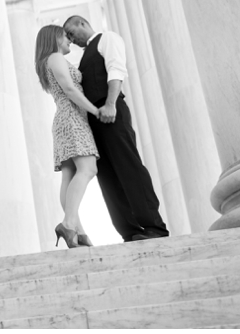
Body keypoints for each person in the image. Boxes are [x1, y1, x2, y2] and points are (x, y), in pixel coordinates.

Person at [62, 15, 169, 242]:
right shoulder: (83, 58)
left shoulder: (107, 38)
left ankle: (154, 227)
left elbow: (116, 70)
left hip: (112, 112)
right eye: (68, 37)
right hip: (94, 122)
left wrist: (110, 103)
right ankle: (129, 231)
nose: (71, 40)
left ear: (83, 23)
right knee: (107, 178)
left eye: (72, 33)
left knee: (129, 167)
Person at [34, 24, 101, 249]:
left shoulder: (48, 61)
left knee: (69, 175)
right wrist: (95, 110)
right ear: (54, 39)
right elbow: (70, 89)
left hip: (65, 118)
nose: (69, 40)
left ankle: (78, 232)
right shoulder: (54, 57)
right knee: (88, 169)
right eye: (65, 37)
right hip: (71, 117)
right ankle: (69, 224)